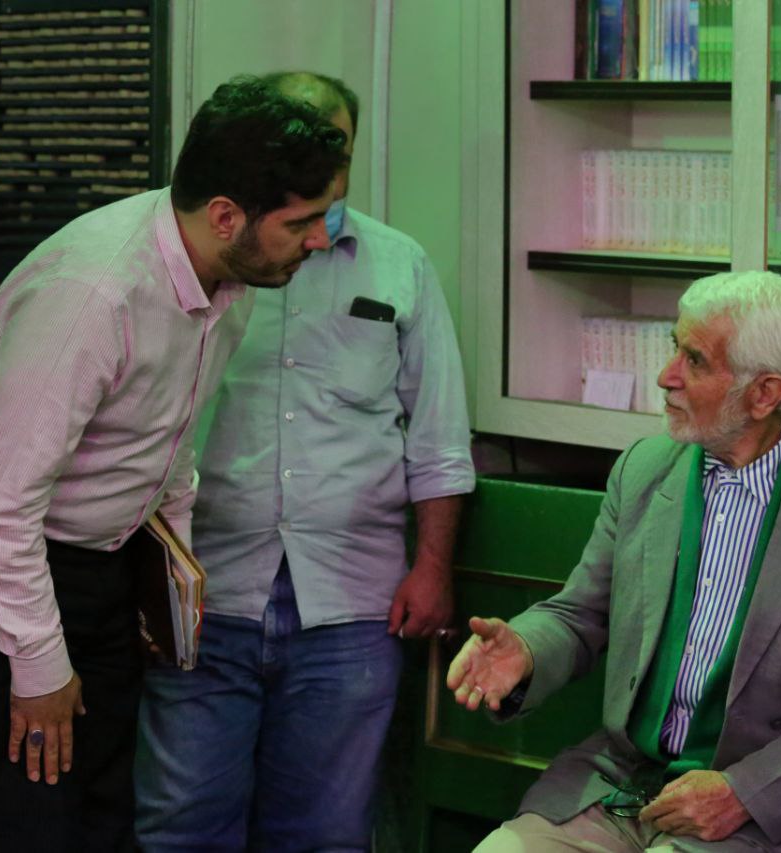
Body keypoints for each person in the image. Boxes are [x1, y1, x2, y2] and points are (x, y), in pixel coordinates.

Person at [0, 76, 348, 852]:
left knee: (105, 800)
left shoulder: (229, 278)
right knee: (36, 802)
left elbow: (168, 441)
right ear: (225, 215)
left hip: (96, 549)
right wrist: (39, 667)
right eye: (302, 221)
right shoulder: (94, 292)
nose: (320, 240)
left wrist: (167, 576)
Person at [447, 270, 781, 852]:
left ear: (764, 393)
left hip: (765, 811)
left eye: (695, 361)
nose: (666, 375)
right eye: (673, 346)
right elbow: (582, 614)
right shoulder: (644, 470)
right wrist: (526, 649)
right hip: (625, 784)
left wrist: (743, 792)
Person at [134, 71, 475, 852]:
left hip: (352, 601)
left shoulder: (399, 264)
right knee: (182, 825)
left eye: (336, 149)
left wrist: (433, 566)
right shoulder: (207, 260)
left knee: (325, 832)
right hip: (205, 594)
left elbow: (438, 436)